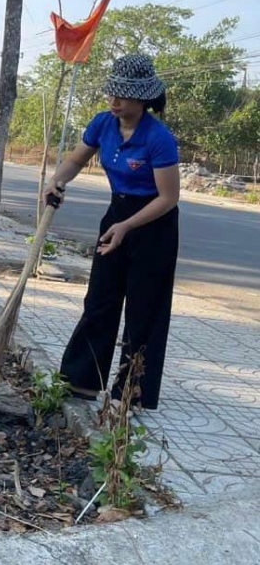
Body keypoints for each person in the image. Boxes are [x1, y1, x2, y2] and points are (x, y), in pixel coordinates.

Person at [43, 54, 180, 410]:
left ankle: (131, 391)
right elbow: (75, 160)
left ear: (143, 98)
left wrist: (128, 226)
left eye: (123, 95)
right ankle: (82, 381)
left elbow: (168, 197)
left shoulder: (158, 138)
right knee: (101, 297)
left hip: (154, 225)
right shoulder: (103, 124)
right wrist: (57, 180)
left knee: (143, 308)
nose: (114, 101)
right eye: (112, 94)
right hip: (116, 213)